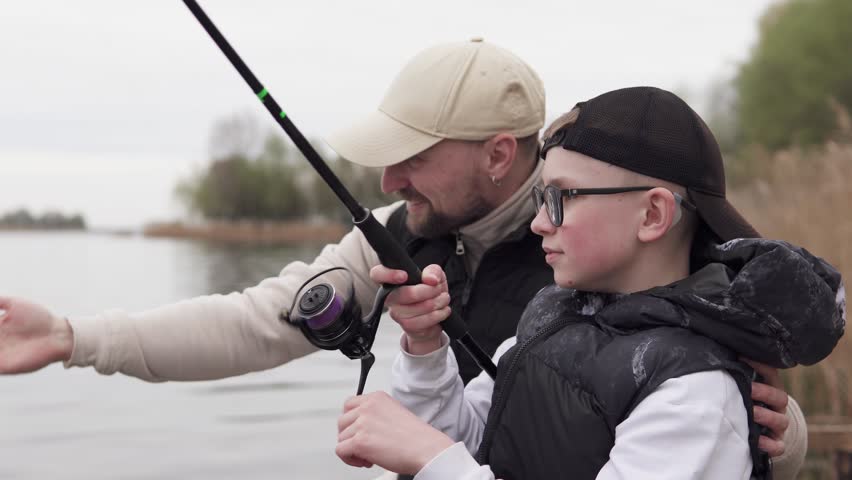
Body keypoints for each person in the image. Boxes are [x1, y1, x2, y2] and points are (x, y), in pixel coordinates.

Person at [0, 42, 803, 474]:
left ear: (496, 154)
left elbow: (702, 398)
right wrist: (73, 338)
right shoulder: (399, 233)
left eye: (413, 156)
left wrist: (783, 432)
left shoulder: (637, 247)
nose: (387, 181)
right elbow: (251, 324)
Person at [336, 87, 846, 479]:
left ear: (652, 214)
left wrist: (429, 455)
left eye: (561, 198)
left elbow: (443, 455)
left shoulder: (695, 390)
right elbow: (469, 439)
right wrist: (426, 349)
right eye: (539, 199)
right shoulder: (549, 317)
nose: (539, 222)